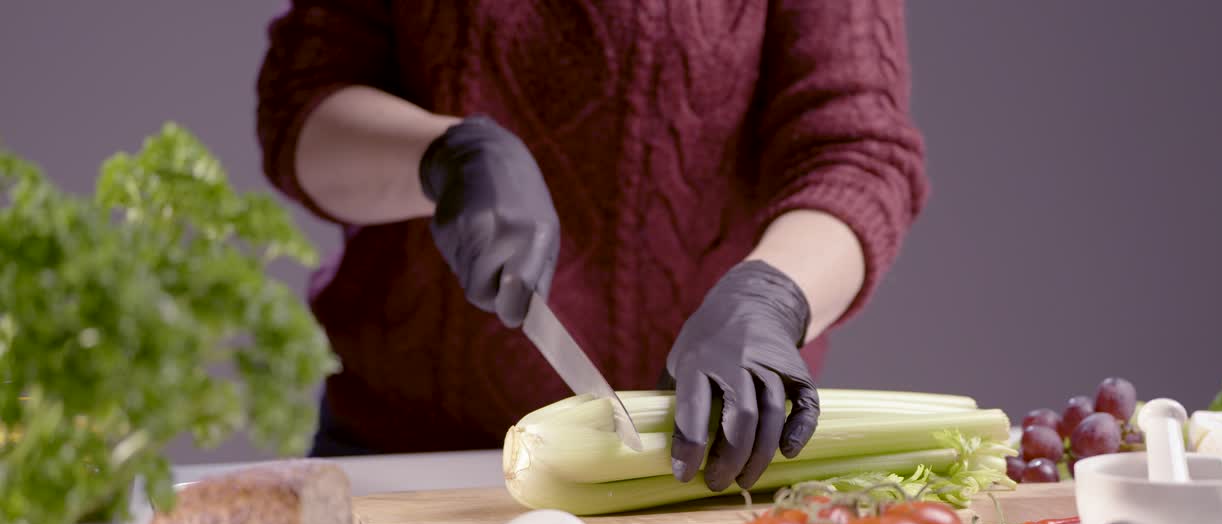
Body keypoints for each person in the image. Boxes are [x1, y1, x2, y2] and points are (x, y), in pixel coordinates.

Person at [254, 0, 927, 492]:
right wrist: (445, 156)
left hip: (708, 464)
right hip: (401, 460)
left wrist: (773, 295)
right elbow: (303, 105)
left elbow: (857, 154)